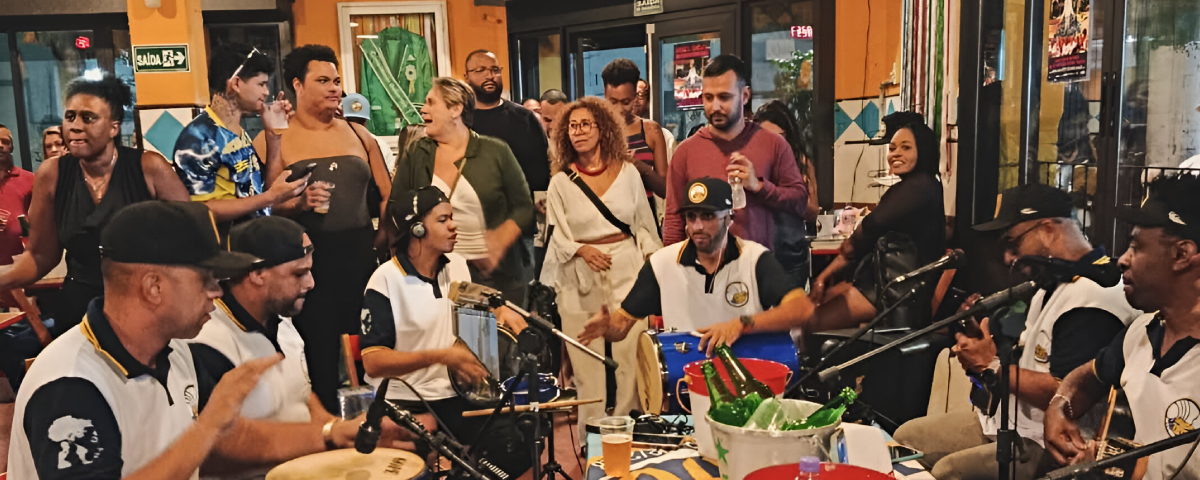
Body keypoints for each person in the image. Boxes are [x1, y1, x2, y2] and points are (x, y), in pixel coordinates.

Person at [7, 201, 374, 480]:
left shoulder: (176, 351)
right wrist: (209, 425)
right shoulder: (70, 383)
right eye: (207, 278)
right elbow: (210, 435)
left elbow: (227, 441)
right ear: (154, 287)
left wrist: (334, 433)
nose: (218, 291)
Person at [891, 184, 1138, 480]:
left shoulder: (1094, 296)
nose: (1009, 257)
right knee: (905, 440)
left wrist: (992, 367)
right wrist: (984, 354)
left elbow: (1068, 391)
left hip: (1050, 441)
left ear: (1047, 229)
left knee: (949, 472)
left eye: (1014, 242)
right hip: (1008, 423)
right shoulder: (1055, 285)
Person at [697, 117, 946, 349]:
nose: (896, 154)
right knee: (809, 307)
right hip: (883, 285)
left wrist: (823, 276)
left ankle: (811, 382)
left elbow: (863, 234)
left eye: (906, 148)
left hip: (895, 293)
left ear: (921, 150)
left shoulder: (919, 187)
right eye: (892, 148)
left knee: (810, 321)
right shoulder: (920, 187)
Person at [254, 44, 393, 413]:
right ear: (298, 85)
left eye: (336, 80)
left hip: (362, 254)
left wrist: (383, 239)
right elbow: (265, 203)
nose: (334, 88)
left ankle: (380, 420)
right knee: (318, 345)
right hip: (310, 261)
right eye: (323, 80)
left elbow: (385, 193)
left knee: (371, 341)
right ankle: (326, 426)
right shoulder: (276, 138)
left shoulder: (359, 134)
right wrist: (299, 203)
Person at [0, 74, 190, 337]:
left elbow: (192, 241)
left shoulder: (149, 168)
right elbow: (40, 256)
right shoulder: (52, 174)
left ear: (114, 127)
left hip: (146, 304)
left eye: (88, 118)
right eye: (70, 117)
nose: (75, 127)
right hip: (82, 310)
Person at [361, 187, 532, 479]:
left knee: (519, 441)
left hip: (457, 395)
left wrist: (497, 313)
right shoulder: (385, 279)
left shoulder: (458, 267)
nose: (454, 225)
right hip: (407, 401)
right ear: (416, 228)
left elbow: (474, 327)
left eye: (452, 217)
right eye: (443, 220)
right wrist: (441, 357)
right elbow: (374, 362)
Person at [1045, 174, 1200, 480]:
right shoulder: (1141, 332)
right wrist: (1059, 406)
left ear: (1181, 255)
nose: (1122, 260)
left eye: (1136, 247)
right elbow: (1086, 376)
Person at [541, 97, 662, 437]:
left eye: (585, 124)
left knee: (630, 355)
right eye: (572, 126)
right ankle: (591, 434)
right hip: (578, 273)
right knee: (585, 358)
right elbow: (556, 236)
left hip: (626, 265)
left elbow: (644, 226)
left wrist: (655, 274)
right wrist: (581, 249)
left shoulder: (627, 173)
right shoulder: (561, 182)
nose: (578, 132)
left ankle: (628, 427)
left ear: (603, 129)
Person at [577, 177, 799, 356]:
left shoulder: (756, 259)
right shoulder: (661, 264)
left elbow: (801, 310)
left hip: (747, 376)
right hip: (685, 380)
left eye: (708, 216)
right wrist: (607, 328)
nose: (697, 226)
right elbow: (622, 324)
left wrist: (743, 324)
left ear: (729, 217)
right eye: (691, 217)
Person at [390, 77, 535, 304]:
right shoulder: (417, 152)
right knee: (448, 339)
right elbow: (397, 205)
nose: (423, 109)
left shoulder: (495, 151)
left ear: (455, 109)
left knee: (497, 338)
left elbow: (524, 208)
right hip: (436, 274)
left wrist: (500, 240)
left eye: (431, 102)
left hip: (494, 277)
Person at [662, 54, 808, 250]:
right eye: (708, 97)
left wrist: (759, 187)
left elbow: (799, 202)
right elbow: (673, 220)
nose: (715, 106)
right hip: (705, 273)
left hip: (760, 270)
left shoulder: (773, 144)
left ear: (745, 96)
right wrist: (675, 269)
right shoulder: (685, 153)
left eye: (724, 97)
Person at [173, 44, 306, 238]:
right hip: (225, 251)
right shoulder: (199, 137)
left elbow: (263, 191)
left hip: (253, 240)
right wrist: (269, 198)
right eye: (261, 84)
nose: (267, 93)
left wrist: (274, 135)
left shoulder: (238, 132)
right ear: (236, 84)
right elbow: (201, 212)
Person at [464, 49, 550, 196]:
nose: (490, 76)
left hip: (523, 208)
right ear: (467, 77)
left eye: (495, 70)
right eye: (480, 70)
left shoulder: (524, 118)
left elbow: (541, 168)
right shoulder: (461, 120)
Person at [753, 100, 816, 288]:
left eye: (779, 138)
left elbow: (813, 211)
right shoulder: (749, 164)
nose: (773, 144)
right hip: (756, 256)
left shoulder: (801, 162)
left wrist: (780, 194)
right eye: (764, 138)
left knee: (789, 314)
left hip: (791, 255)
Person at [601, 59, 668, 200]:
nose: (619, 109)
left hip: (643, 215)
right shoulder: (595, 130)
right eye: (612, 102)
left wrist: (640, 168)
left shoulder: (651, 130)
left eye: (626, 102)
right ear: (604, 94)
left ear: (635, 97)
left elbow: (666, 189)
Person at [343, 93, 398, 177]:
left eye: (358, 122)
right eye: (351, 121)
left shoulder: (379, 145)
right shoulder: (379, 144)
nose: (356, 126)